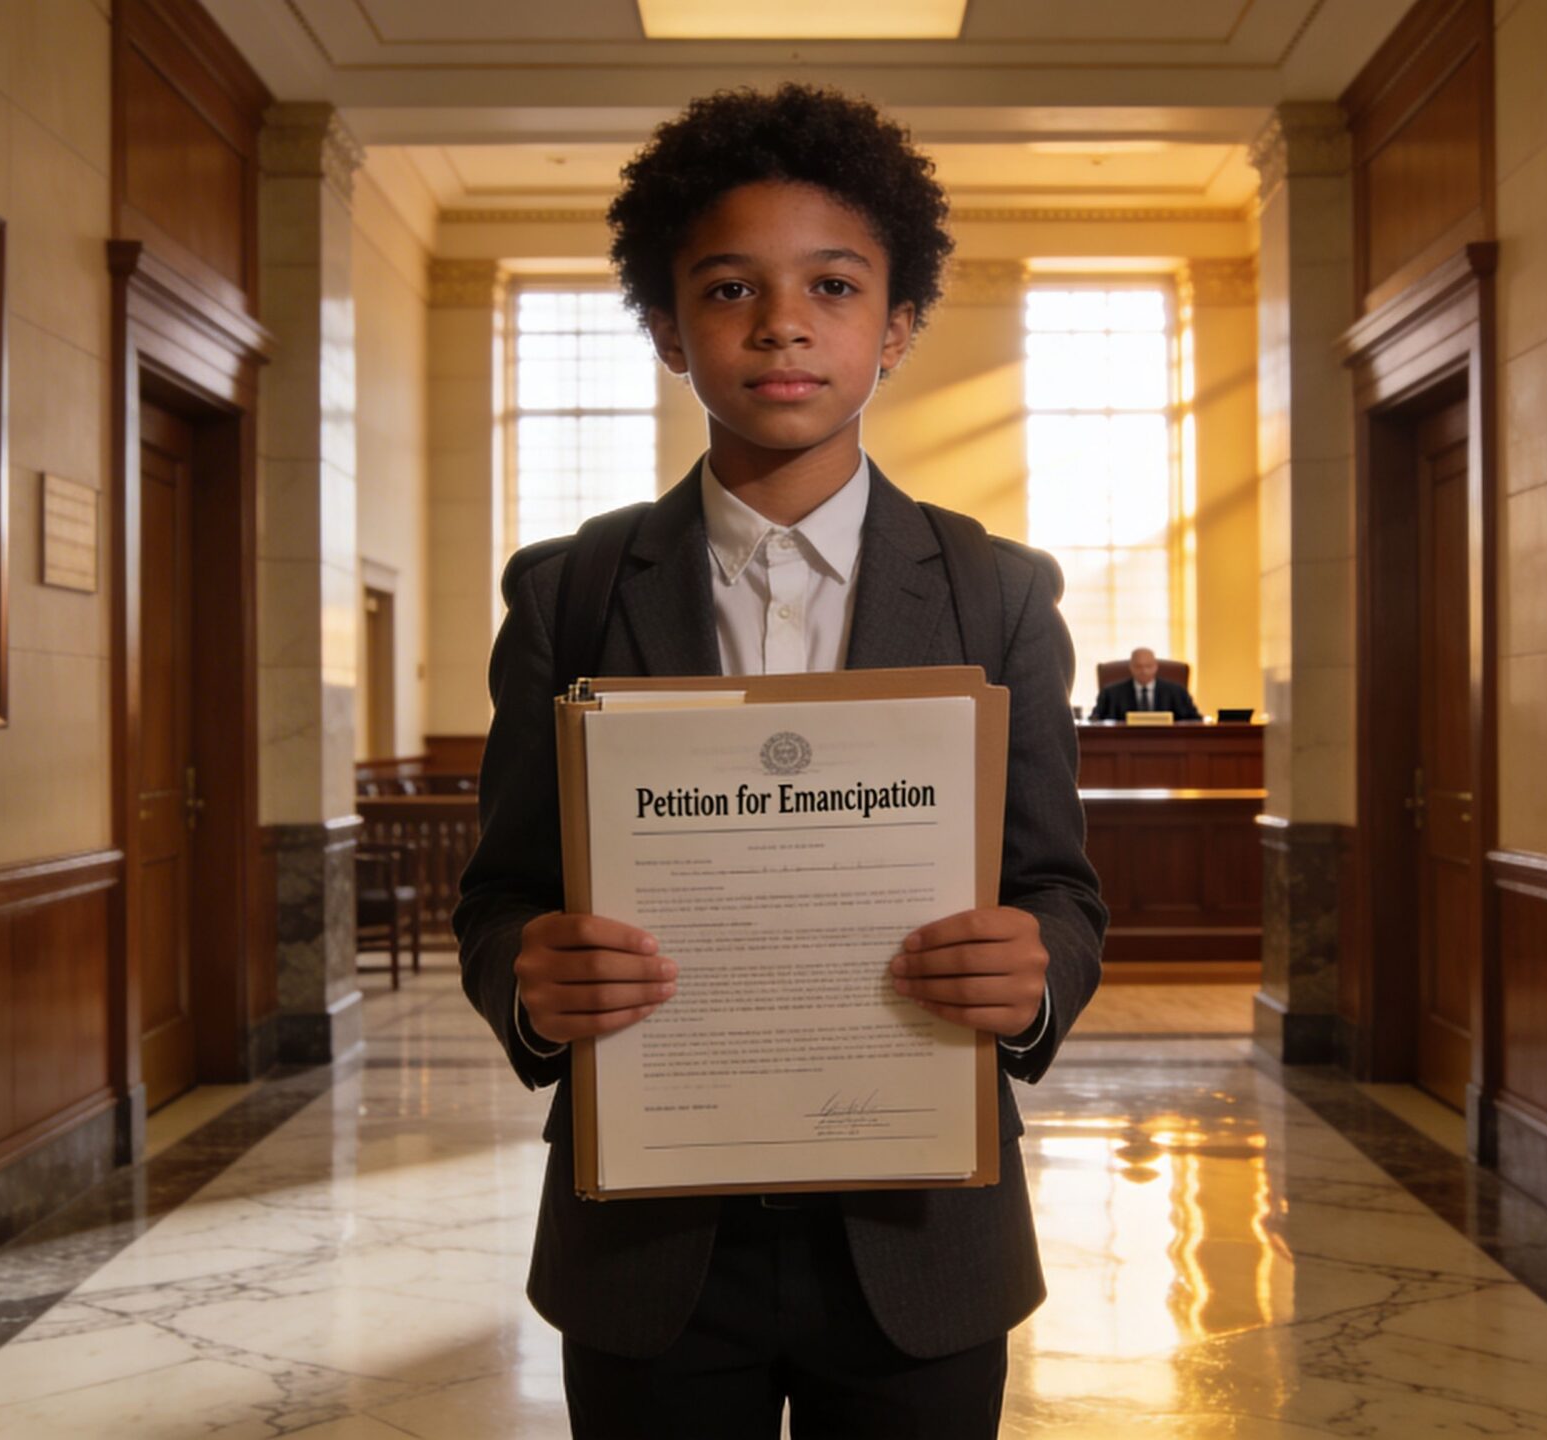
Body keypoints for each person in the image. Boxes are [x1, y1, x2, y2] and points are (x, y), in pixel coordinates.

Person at [452, 84, 1105, 1439]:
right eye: (732, 288)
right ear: (669, 329)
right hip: (651, 1251)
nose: (784, 323)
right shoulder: (570, 596)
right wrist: (534, 982)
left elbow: (1061, 894)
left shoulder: (995, 596)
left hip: (920, 1239)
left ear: (898, 327)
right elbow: (500, 897)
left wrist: (1032, 976)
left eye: (835, 286)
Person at [1089, 646, 1201, 721]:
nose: (1144, 671)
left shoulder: (1177, 691)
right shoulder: (1110, 693)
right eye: (1138, 666)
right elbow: (1095, 720)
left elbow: (1195, 720)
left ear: (1156, 666)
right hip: (1124, 745)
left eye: (1148, 666)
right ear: (1131, 667)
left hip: (1169, 745)